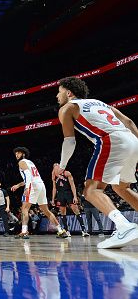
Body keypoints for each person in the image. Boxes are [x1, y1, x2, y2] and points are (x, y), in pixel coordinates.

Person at [54, 76, 138, 249]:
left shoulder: (67, 108)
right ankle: (124, 227)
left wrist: (61, 167)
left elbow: (70, 142)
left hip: (111, 140)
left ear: (69, 93)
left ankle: (124, 227)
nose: (57, 96)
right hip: (132, 140)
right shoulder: (100, 103)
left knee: (91, 190)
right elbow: (128, 122)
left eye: (59, 92)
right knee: (122, 187)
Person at [9, 147, 70, 239]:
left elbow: (28, 175)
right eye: (16, 153)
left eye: (19, 153)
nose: (16, 155)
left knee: (24, 209)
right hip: (41, 185)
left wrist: (26, 188)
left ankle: (24, 231)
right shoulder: (31, 163)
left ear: (23, 154)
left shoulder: (21, 162)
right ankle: (61, 230)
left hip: (33, 186)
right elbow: (31, 177)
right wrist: (18, 185)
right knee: (46, 210)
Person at [51, 167, 89, 236]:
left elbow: (72, 185)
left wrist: (75, 196)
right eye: (54, 168)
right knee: (62, 212)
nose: (55, 169)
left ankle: (84, 230)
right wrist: (53, 199)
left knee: (76, 210)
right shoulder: (54, 176)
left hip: (68, 193)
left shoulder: (66, 173)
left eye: (57, 167)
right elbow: (54, 188)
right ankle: (67, 230)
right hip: (60, 194)